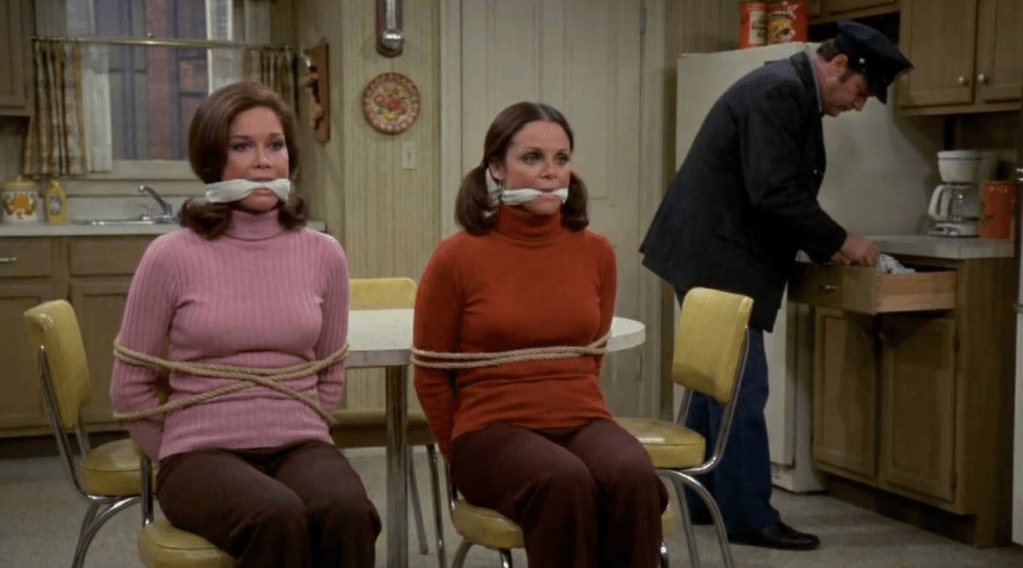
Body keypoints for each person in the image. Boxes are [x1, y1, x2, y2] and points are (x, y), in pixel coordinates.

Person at [640, 20, 913, 551]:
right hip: (719, 258)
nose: (858, 106)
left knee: (713, 385)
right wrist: (841, 239)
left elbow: (770, 190)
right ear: (839, 66)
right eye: (861, 92)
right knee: (742, 389)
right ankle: (748, 516)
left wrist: (821, 244)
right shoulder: (781, 92)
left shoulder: (783, 86)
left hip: (706, 251)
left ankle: (700, 497)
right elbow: (773, 192)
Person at [110, 81, 380, 568]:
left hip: (299, 442)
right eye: (242, 147)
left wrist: (301, 422)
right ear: (211, 161)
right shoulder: (170, 256)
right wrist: (173, 449)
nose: (263, 162)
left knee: (348, 510)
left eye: (275, 146)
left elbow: (330, 369)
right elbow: (130, 387)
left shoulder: (324, 254)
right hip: (198, 453)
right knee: (275, 516)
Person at [412, 101, 668, 568]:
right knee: (562, 482)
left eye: (561, 159)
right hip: (488, 430)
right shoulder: (456, 257)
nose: (551, 173)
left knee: (633, 475)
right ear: (496, 168)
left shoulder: (597, 252)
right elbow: (429, 373)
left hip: (581, 417)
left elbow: (591, 354)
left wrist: (569, 402)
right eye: (532, 158)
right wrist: (459, 452)